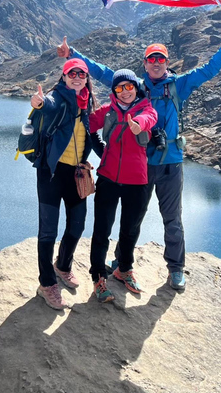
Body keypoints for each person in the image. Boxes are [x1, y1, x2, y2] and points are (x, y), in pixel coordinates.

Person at [57, 20, 221, 291]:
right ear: (144, 64)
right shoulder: (134, 86)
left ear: (166, 62)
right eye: (151, 59)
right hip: (141, 164)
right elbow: (101, 72)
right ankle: (123, 264)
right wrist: (72, 53)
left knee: (172, 217)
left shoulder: (178, 85)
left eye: (160, 58)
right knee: (134, 217)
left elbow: (210, 69)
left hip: (170, 162)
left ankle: (176, 268)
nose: (156, 63)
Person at [29, 58, 102, 310]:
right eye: (72, 73)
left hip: (77, 173)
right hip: (51, 173)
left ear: (86, 78)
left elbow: (93, 137)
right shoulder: (58, 97)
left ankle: (63, 265)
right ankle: (46, 283)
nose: (77, 77)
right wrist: (38, 103)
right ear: (64, 76)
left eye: (81, 73)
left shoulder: (88, 104)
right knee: (48, 231)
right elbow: (47, 105)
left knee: (78, 225)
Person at [87, 69, 157, 302]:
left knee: (130, 229)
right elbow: (87, 124)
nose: (125, 92)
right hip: (108, 178)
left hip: (137, 180)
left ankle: (123, 269)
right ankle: (98, 276)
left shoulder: (146, 109)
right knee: (102, 230)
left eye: (129, 87)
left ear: (136, 88)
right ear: (113, 91)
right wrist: (100, 151)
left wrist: (137, 124)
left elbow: (150, 119)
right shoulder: (107, 112)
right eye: (119, 88)